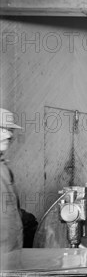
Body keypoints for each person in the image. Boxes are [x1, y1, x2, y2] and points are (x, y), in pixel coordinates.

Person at [0, 108, 23, 255]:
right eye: (2, 129)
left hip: (11, 250)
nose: (8, 135)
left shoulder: (4, 169)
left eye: (9, 130)